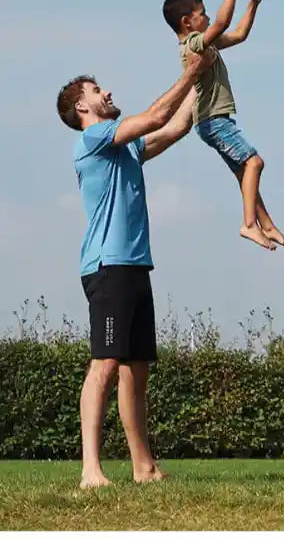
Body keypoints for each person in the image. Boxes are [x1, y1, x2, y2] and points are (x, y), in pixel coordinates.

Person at [57, 45, 213, 488]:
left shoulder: (124, 149)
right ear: (81, 106)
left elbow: (176, 124)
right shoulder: (91, 139)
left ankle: (143, 467)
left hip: (135, 266)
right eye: (95, 90)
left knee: (136, 369)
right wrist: (191, 70)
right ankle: (91, 469)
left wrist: (203, 73)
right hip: (108, 267)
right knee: (104, 364)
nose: (106, 91)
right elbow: (156, 116)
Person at [161, 0, 284, 251]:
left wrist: (253, 3)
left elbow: (240, 33)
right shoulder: (192, 44)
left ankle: (267, 225)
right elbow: (222, 22)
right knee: (254, 162)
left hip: (216, 120)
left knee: (243, 172)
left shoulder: (205, 42)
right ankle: (249, 225)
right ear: (187, 22)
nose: (207, 17)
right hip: (212, 120)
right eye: (202, 13)